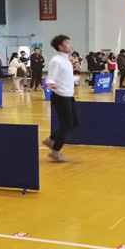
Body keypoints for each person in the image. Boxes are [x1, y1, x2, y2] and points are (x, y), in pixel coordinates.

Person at [43, 35, 78, 163]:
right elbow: (50, 79)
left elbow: (70, 79)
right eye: (67, 43)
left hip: (69, 96)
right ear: (60, 46)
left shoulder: (67, 61)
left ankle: (51, 139)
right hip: (60, 97)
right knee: (66, 124)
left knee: (75, 123)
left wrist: (76, 74)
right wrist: (53, 85)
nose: (70, 45)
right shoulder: (56, 61)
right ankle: (55, 152)